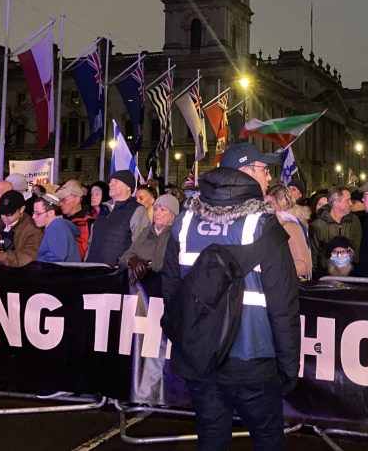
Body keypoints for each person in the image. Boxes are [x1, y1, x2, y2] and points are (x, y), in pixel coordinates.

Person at [162, 148, 298, 451]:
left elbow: (171, 291)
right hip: (252, 358)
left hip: (200, 358)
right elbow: (283, 304)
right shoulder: (262, 225)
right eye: (264, 169)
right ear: (246, 172)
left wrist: (186, 341)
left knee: (211, 436)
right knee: (268, 440)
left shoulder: (184, 222)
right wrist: (289, 367)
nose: (269, 176)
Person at [87, 170, 150, 267]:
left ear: (128, 187)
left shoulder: (137, 210)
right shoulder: (104, 209)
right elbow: (91, 242)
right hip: (93, 272)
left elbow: (141, 244)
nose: (110, 184)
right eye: (110, 181)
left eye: (116, 181)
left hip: (117, 275)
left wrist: (127, 265)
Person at [121, 193, 179, 280]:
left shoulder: (177, 234)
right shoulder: (146, 231)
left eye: (163, 210)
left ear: (173, 215)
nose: (157, 213)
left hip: (166, 284)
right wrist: (133, 261)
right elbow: (125, 257)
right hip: (142, 285)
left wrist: (147, 265)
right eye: (155, 209)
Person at [308, 186, 362, 278]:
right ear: (336, 203)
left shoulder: (354, 221)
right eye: (348, 200)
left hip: (351, 278)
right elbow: (314, 257)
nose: (351, 204)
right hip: (326, 279)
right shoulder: (317, 225)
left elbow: (358, 249)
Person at [264, 184, 313, 279]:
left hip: (285, 283)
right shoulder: (268, 223)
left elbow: (304, 265)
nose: (266, 208)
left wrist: (274, 270)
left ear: (282, 203)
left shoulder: (291, 226)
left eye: (270, 203)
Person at [31, 194, 80, 263]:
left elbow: (56, 257)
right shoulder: (60, 225)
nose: (33, 216)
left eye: (38, 213)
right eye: (33, 213)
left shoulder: (57, 226)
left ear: (51, 213)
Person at [56, 180, 94, 260]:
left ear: (77, 199)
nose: (60, 203)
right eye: (60, 200)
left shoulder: (85, 222)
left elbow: (81, 254)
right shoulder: (61, 218)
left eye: (64, 200)